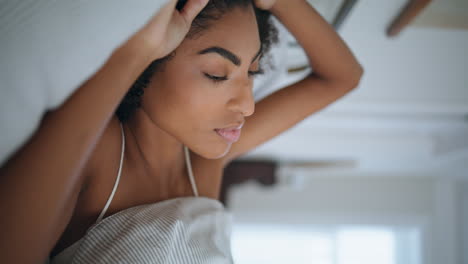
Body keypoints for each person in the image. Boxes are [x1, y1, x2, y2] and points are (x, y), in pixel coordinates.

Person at [0, 0, 363, 263]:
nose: (248, 106)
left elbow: (343, 77)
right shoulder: (101, 151)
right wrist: (136, 50)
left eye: (252, 72)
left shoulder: (202, 164)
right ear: (151, 63)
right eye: (217, 74)